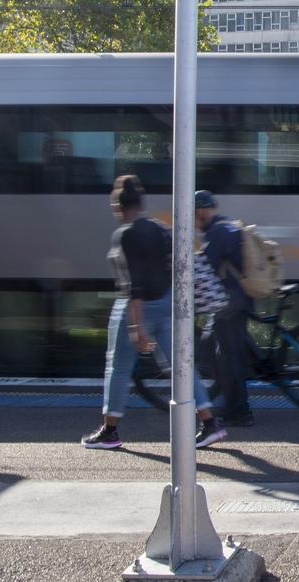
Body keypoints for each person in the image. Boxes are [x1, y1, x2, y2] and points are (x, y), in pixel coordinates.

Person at [82, 175, 227, 450]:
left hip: (138, 308)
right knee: (181, 367)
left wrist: (136, 326)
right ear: (140, 203)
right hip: (166, 302)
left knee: (118, 368)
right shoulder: (160, 229)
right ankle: (210, 423)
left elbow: (134, 284)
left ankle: (110, 431)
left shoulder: (126, 235)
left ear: (118, 206)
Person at [195, 190, 254, 427]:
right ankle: (228, 402)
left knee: (229, 358)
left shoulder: (218, 232)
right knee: (218, 352)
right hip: (231, 302)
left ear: (200, 211)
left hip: (229, 304)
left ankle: (240, 411)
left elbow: (207, 267)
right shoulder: (224, 227)